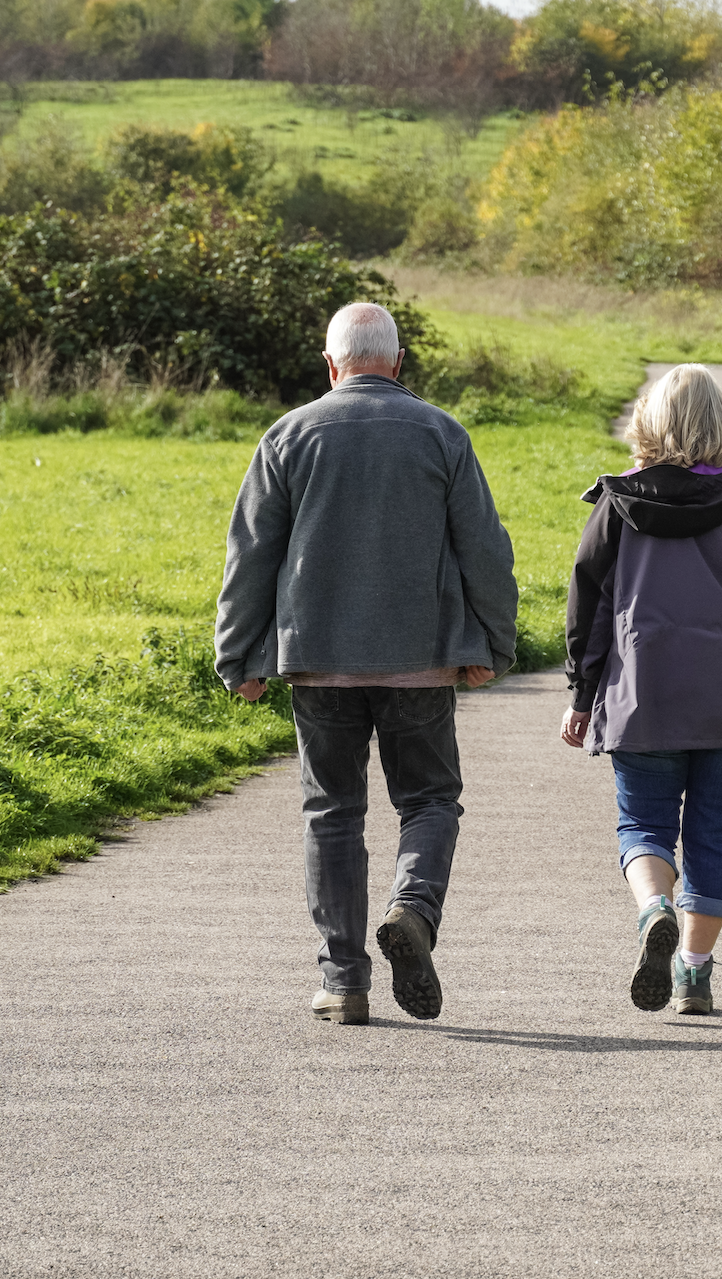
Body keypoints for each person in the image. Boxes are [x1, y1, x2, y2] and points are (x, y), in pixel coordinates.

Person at [215, 302, 517, 1026]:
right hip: (420, 659)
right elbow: (485, 549)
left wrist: (239, 655)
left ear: (331, 365)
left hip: (316, 659)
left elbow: (252, 554)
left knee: (331, 812)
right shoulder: (441, 433)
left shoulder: (288, 435)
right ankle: (411, 908)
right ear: (398, 362)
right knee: (430, 800)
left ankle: (344, 979)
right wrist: (492, 644)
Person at [560, 363, 722, 1015]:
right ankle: (693, 973)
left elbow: (588, 611)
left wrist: (581, 693)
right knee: (715, 833)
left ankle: (655, 908)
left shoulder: (618, 505)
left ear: (647, 424)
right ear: (721, 425)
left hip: (642, 696)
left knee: (643, 824)